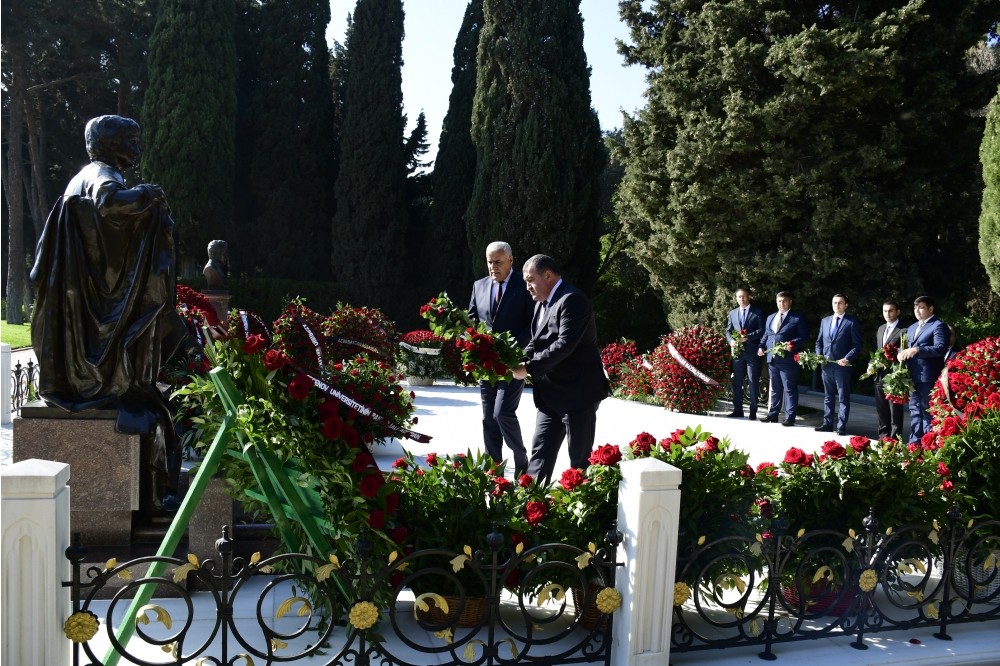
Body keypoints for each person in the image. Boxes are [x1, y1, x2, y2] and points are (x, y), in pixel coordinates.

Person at [31, 115, 191, 436]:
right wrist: (148, 195)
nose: (137, 148)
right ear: (111, 144)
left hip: (80, 297)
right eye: (131, 141)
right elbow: (109, 204)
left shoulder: (82, 176)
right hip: (90, 304)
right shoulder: (103, 174)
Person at [512, 255, 609, 484]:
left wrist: (529, 367)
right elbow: (536, 342)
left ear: (548, 275)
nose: (527, 287)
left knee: (579, 461)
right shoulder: (540, 304)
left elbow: (564, 344)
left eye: (530, 280)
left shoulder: (573, 299)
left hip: (578, 395)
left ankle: (585, 511)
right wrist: (516, 360)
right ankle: (529, 508)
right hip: (550, 396)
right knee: (539, 455)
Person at [468, 241, 535, 475]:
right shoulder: (479, 286)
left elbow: (533, 323)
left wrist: (515, 348)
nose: (493, 266)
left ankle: (520, 457)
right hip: (486, 364)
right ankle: (493, 468)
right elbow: (472, 320)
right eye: (489, 262)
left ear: (510, 261)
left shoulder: (524, 286)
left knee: (502, 412)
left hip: (513, 363)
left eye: (498, 262)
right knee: (488, 417)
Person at [897, 296, 948, 443]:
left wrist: (918, 350)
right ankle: (915, 443)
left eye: (921, 307)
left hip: (928, 376)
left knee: (927, 411)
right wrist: (901, 353)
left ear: (930, 309)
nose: (917, 311)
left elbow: (940, 348)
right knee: (914, 411)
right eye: (915, 307)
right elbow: (906, 346)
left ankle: (928, 443)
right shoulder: (912, 327)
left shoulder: (938, 325)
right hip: (912, 376)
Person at [813, 294, 863, 436]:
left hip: (842, 366)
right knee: (828, 396)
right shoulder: (825, 321)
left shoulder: (851, 322)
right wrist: (819, 356)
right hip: (826, 365)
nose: (837, 305)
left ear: (846, 305)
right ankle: (827, 423)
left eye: (840, 303)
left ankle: (841, 426)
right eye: (835, 303)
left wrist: (847, 358)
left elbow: (857, 345)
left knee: (843, 397)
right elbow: (819, 342)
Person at [757, 291, 809, 426]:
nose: (781, 304)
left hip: (788, 359)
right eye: (779, 301)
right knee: (775, 387)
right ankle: (772, 414)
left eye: (784, 301)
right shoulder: (771, 317)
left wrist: (792, 344)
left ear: (790, 301)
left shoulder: (797, 318)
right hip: (772, 359)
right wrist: (761, 346)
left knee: (789, 388)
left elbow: (804, 337)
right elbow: (766, 335)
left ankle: (790, 417)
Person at [724, 287, 765, 420]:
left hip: (752, 352)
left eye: (743, 296)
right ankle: (738, 410)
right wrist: (731, 341)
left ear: (749, 297)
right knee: (736, 381)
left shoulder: (758, 312)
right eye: (739, 297)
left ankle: (753, 412)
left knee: (753, 381)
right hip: (738, 353)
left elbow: (762, 330)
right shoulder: (732, 313)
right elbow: (728, 331)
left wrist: (749, 337)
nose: (741, 299)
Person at [874, 300, 906, 440]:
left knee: (895, 412)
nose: (887, 314)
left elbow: (902, 352)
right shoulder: (881, 328)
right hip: (879, 376)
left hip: (894, 377)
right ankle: (883, 438)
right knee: (882, 410)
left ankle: (894, 440)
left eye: (890, 310)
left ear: (897, 312)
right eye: (885, 311)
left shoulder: (904, 330)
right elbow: (878, 351)